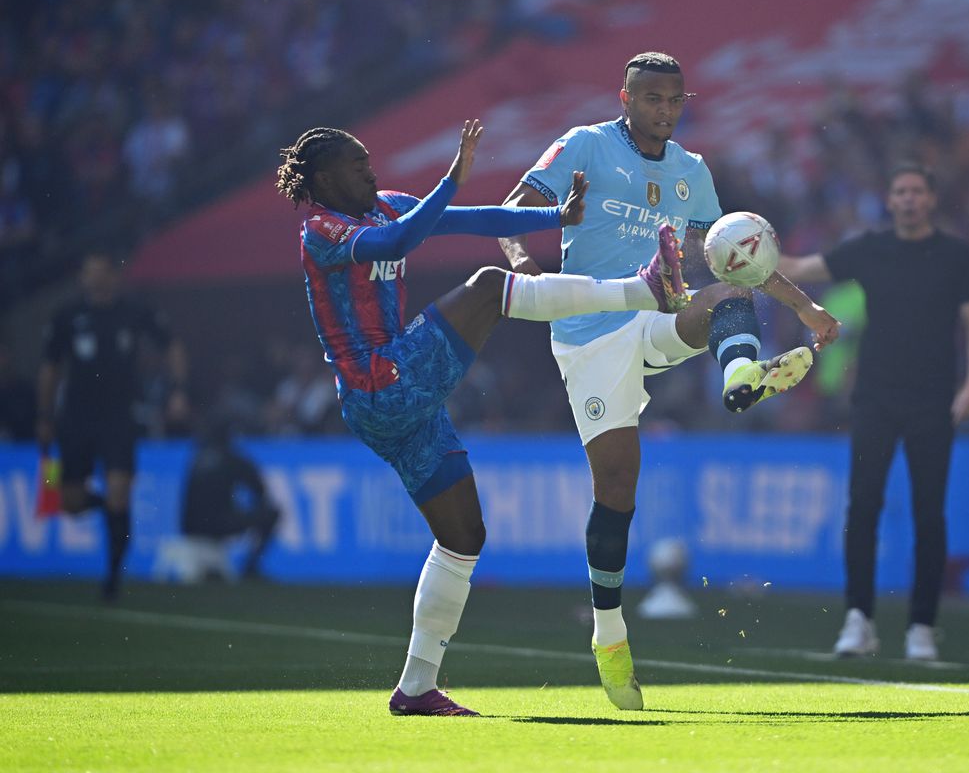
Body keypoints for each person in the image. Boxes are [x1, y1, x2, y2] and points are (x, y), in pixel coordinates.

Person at [276, 119, 697, 718]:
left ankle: (417, 687)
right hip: (380, 384)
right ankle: (643, 288)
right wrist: (449, 177)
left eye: (370, 162)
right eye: (359, 165)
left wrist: (556, 219)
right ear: (324, 179)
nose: (372, 172)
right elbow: (395, 245)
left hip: (402, 397)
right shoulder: (322, 230)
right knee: (488, 288)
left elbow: (473, 219)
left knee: (463, 537)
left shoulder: (383, 206)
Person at [496, 51, 841, 709]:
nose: (664, 109)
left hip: (656, 316)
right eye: (651, 97)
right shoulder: (584, 146)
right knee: (618, 484)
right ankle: (608, 634)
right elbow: (517, 207)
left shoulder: (692, 172)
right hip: (588, 331)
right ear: (624, 98)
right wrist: (521, 263)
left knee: (726, 282)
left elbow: (735, 253)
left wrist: (803, 305)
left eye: (673, 99)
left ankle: (740, 376)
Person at [777, 163, 969, 661]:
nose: (909, 199)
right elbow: (804, 267)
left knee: (928, 513)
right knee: (863, 506)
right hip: (875, 396)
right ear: (890, 201)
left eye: (917, 191)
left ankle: (922, 625)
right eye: (900, 192)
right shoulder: (869, 249)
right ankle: (859, 619)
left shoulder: (956, 256)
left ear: (931, 199)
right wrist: (746, 252)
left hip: (934, 398)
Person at [37, 249, 190, 600]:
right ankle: (110, 515)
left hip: (120, 416)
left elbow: (172, 345)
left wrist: (178, 390)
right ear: (82, 277)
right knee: (65, 500)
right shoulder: (66, 316)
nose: (96, 278)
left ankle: (113, 578)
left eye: (102, 271)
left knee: (120, 490)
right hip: (73, 417)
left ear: (113, 275)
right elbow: (50, 367)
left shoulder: (134, 312)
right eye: (89, 271)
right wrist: (44, 415)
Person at [180, 420, 281, 580]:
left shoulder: (198, 457)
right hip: (218, 525)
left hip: (189, 528)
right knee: (272, 513)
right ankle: (250, 567)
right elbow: (260, 490)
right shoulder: (233, 459)